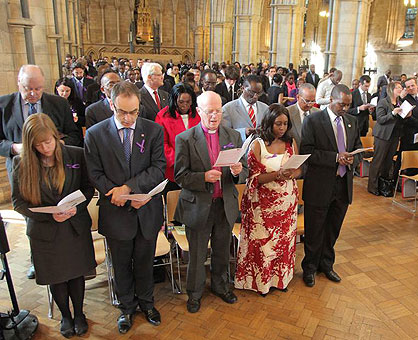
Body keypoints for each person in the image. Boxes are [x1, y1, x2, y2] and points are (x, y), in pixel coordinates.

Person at [84, 81, 165, 334]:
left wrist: (128, 188)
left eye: (134, 112)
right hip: (115, 210)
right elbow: (94, 173)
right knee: (120, 265)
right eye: (122, 112)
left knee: (144, 261)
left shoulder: (153, 130)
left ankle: (147, 304)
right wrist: (115, 192)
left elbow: (158, 167)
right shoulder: (95, 134)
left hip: (145, 210)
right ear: (111, 105)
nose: (129, 118)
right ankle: (127, 308)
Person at [11, 113, 95, 338]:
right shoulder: (21, 163)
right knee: (56, 276)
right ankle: (65, 315)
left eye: (48, 141)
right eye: (39, 144)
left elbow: (88, 189)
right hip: (45, 232)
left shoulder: (75, 154)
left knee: (76, 273)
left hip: (74, 226)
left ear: (55, 136)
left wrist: (75, 208)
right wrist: (49, 216)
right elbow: (18, 202)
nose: (45, 147)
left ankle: (79, 313)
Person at [174, 91, 248, 313]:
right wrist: (203, 177)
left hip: (224, 203)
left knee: (222, 250)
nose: (214, 116)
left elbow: (243, 170)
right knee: (196, 253)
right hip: (198, 204)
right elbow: (180, 176)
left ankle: (220, 285)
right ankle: (194, 293)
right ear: (198, 112)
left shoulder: (233, 136)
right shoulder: (185, 139)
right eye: (209, 112)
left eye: (218, 111)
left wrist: (238, 171)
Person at [235, 104, 301, 295]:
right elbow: (253, 178)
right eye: (277, 124)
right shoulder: (258, 144)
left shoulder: (291, 142)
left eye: (285, 124)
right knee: (264, 246)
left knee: (283, 243)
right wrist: (277, 175)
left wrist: (293, 172)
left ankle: (280, 281)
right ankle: (262, 284)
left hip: (287, 203)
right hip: (262, 205)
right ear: (268, 123)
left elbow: (299, 168)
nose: (282, 128)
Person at [300, 84, 362, 287]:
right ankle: (309, 268)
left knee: (333, 229)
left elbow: (358, 147)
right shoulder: (313, 120)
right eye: (341, 104)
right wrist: (336, 157)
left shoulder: (352, 121)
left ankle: (326, 265)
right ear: (331, 100)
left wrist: (355, 158)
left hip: (343, 184)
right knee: (315, 229)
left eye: (348, 105)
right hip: (320, 185)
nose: (345, 108)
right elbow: (307, 152)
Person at [155, 83, 201, 193]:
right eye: (181, 102)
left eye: (188, 102)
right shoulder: (163, 116)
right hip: (174, 169)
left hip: (196, 168)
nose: (184, 105)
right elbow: (162, 144)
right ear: (174, 100)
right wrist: (181, 160)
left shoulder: (199, 114)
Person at [368, 81, 411, 196]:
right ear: (391, 89)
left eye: (400, 88)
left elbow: (399, 120)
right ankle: (372, 186)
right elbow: (380, 119)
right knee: (378, 161)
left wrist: (406, 116)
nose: (400, 89)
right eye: (398, 88)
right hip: (383, 135)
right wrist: (392, 113)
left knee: (388, 162)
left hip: (395, 135)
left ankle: (384, 186)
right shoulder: (383, 102)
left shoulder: (399, 102)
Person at [222, 75, 269, 141]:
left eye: (258, 93)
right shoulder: (228, 109)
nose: (255, 96)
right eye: (252, 92)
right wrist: (243, 132)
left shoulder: (265, 108)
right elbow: (224, 134)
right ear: (242, 88)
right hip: (239, 148)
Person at [287, 83, 319, 150]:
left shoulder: (318, 113)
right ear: (298, 97)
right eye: (306, 101)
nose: (309, 105)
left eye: (312, 101)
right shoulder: (287, 113)